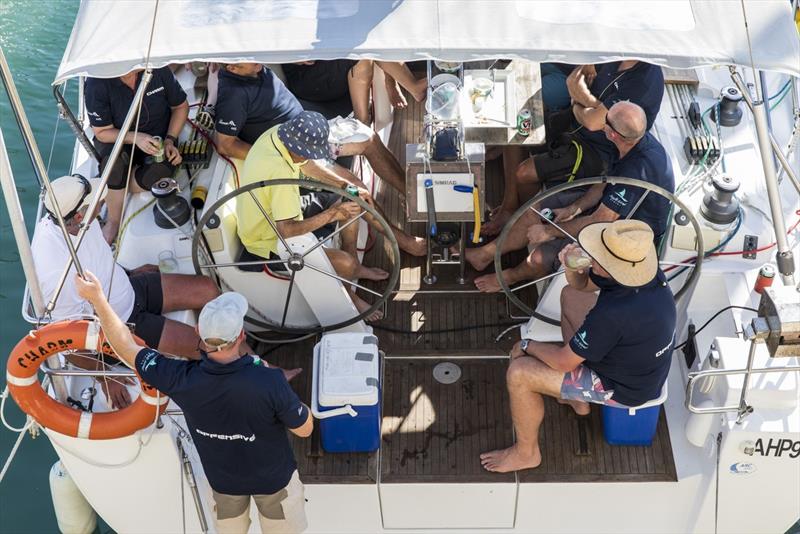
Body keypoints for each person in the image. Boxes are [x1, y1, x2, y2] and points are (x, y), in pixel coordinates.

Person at [74, 275, 313, 533]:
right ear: (241, 335)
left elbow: (125, 346)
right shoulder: (270, 382)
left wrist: (97, 299)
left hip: (224, 485)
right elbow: (304, 429)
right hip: (274, 484)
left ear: (198, 332)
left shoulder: (179, 378)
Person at [480, 220, 676, 473]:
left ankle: (526, 453)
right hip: (633, 361)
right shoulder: (643, 275)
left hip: (623, 388)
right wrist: (572, 265)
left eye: (597, 255)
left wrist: (527, 344)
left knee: (519, 373)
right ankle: (576, 400)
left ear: (609, 267)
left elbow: (563, 361)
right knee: (570, 296)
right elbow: (581, 286)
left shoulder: (613, 314)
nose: (591, 256)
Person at [31, 175, 221, 405]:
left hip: (130, 287)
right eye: (97, 201)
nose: (103, 202)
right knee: (202, 347)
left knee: (208, 289)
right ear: (79, 215)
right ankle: (254, 370)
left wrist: (129, 272)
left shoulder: (78, 221)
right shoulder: (55, 275)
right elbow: (67, 343)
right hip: (124, 326)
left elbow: (97, 256)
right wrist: (105, 376)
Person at [467, 101, 674, 293]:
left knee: (540, 258)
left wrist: (549, 232)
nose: (602, 121)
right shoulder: (631, 141)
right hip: (607, 210)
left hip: (624, 235)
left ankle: (509, 277)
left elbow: (601, 220)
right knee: (536, 209)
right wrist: (575, 208)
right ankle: (485, 254)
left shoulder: (636, 170)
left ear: (612, 133)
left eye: (606, 120)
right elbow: (602, 185)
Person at [239, 111, 393, 321]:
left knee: (351, 198)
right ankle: (350, 292)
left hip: (280, 210)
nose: (313, 156)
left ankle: (356, 268)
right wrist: (333, 214)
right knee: (345, 263)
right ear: (300, 150)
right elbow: (287, 231)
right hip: (269, 239)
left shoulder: (279, 135)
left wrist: (346, 186)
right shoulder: (279, 172)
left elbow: (307, 165)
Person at [482, 60, 664, 236]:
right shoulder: (612, 53)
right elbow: (574, 82)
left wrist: (578, 101)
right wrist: (589, 101)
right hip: (574, 126)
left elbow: (593, 122)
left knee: (523, 173)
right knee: (515, 129)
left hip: (598, 152)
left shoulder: (644, 84)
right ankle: (509, 207)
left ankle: (519, 217)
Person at [214, 62, 414, 197]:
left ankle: (411, 195)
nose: (255, 55)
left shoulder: (253, 67)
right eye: (248, 56)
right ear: (232, 67)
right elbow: (225, 145)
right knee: (355, 190)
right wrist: (278, 158)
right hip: (295, 153)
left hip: (311, 128)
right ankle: (404, 242)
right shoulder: (233, 95)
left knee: (368, 137)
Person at [85, 67, 189, 243]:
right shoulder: (96, 83)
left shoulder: (159, 69)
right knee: (114, 165)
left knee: (159, 177)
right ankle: (113, 221)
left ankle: (107, 185)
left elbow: (180, 106)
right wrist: (136, 138)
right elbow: (102, 131)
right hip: (118, 137)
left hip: (160, 138)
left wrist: (170, 140)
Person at [283, 59, 427, 124]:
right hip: (306, 78)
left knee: (372, 33)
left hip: (328, 58)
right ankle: (362, 121)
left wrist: (390, 81)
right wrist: (296, 57)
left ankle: (409, 86)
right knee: (363, 50)